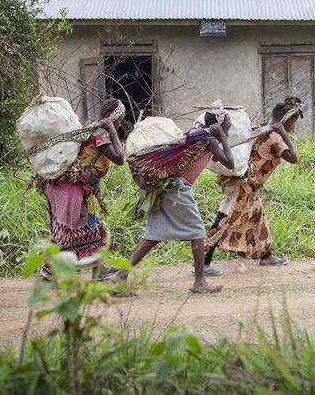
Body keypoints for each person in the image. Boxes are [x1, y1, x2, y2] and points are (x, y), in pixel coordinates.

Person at [113, 110, 234, 293]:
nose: (228, 132)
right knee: (197, 231)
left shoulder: (198, 136)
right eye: (227, 128)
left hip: (165, 186)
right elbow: (230, 163)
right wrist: (222, 138)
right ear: (218, 127)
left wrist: (219, 138)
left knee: (153, 235)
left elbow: (216, 157)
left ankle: (120, 276)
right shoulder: (207, 139)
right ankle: (200, 282)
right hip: (177, 189)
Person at [202, 97, 302, 275]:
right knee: (224, 219)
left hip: (245, 184)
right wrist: (283, 132)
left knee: (257, 215)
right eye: (293, 121)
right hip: (243, 186)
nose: (293, 127)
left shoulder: (258, 129)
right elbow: (293, 158)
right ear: (285, 120)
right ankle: (202, 261)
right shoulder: (276, 136)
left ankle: (266, 256)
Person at [38, 99, 126, 281]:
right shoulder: (100, 133)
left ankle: (98, 270)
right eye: (120, 119)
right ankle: (47, 275)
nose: (120, 124)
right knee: (64, 231)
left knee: (96, 231)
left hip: (73, 188)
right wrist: (112, 131)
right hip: (69, 188)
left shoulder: (92, 129)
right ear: (114, 117)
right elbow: (119, 158)